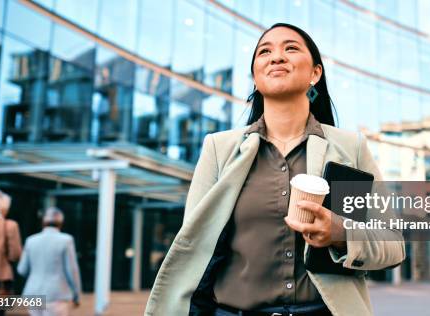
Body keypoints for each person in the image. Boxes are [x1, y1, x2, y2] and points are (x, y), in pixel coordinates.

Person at [145, 23, 405, 316]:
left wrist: (339, 233)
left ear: (315, 74)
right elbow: (192, 246)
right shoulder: (219, 149)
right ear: (255, 77)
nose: (276, 57)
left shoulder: (349, 149)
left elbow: (392, 244)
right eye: (265, 51)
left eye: (290, 48)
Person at [17, 207, 81, 316]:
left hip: (34, 294)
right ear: (61, 223)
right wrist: (77, 294)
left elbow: (21, 270)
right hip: (56, 294)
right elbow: (72, 270)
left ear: (43, 222)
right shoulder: (66, 240)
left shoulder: (31, 240)